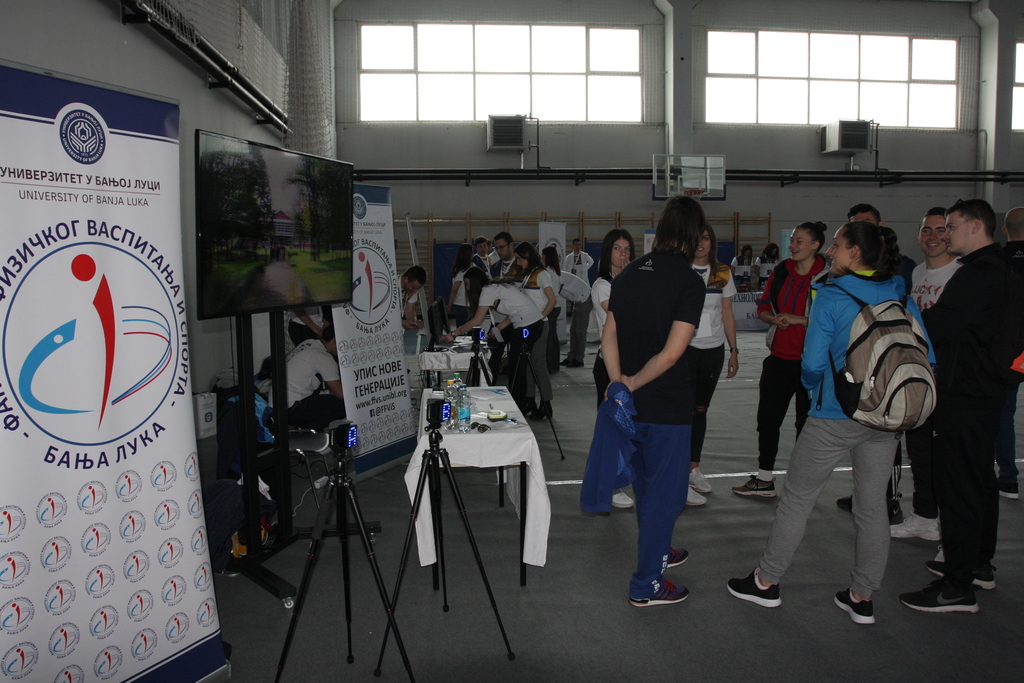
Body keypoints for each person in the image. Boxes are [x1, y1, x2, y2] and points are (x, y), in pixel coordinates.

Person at [728, 221, 930, 625]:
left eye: (837, 245)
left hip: (834, 415)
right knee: (872, 509)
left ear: (855, 252)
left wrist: (816, 389)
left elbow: (812, 364)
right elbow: (926, 353)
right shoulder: (899, 292)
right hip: (884, 417)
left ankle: (766, 582)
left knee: (797, 500)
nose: (831, 252)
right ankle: (862, 595)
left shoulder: (831, 294)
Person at [899, 198, 1015, 613]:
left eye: (951, 225)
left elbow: (937, 325)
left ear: (975, 225)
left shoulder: (977, 275)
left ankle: (957, 584)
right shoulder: (999, 269)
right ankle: (977, 564)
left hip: (965, 393)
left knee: (960, 487)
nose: (945, 233)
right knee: (979, 480)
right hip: (985, 390)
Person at [602, 195, 706, 607]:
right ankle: (647, 584)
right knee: (667, 496)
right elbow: (672, 353)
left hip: (631, 408)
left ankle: (658, 546)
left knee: (646, 486)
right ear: (694, 236)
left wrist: (619, 383)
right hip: (666, 408)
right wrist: (630, 382)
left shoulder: (629, 273)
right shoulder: (689, 282)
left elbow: (609, 334)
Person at [733, 222, 828, 497]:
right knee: (767, 419)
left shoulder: (830, 276)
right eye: (792, 240)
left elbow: (836, 320)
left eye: (799, 241)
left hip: (813, 363)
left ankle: (802, 484)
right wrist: (772, 318)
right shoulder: (781, 272)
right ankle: (764, 479)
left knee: (807, 425)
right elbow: (763, 306)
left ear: (815, 245)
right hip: (778, 359)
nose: (793, 245)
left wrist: (800, 320)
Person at [889, 207, 960, 542]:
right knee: (918, 450)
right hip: (918, 376)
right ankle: (924, 516)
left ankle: (952, 529)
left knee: (948, 456)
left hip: (950, 378)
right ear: (918, 236)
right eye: (926, 230)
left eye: (941, 229)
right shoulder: (915, 273)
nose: (933, 237)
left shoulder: (961, 273)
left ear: (952, 234)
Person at [686, 226, 739, 506]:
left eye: (705, 238)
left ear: (712, 242)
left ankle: (694, 469)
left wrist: (734, 350)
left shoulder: (723, 272)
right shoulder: (681, 270)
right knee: (682, 409)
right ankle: (678, 470)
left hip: (712, 351)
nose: (701, 243)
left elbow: (727, 313)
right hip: (683, 349)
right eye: (697, 238)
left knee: (700, 409)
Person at [442, 269, 545, 412]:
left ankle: (519, 407)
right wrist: (500, 327)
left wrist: (453, 334)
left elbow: (477, 320)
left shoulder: (488, 290)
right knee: (516, 367)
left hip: (529, 325)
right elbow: (514, 311)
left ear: (475, 282)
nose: (467, 288)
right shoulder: (493, 287)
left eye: (467, 284)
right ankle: (520, 404)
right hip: (528, 323)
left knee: (516, 369)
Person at [591, 228, 636, 509]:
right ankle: (610, 484)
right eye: (618, 249)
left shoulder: (632, 281)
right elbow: (627, 316)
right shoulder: (602, 285)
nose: (623, 254)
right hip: (609, 364)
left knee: (632, 424)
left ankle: (626, 477)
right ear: (608, 252)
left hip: (633, 362)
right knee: (613, 426)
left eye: (627, 249)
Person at [996, 206, 1024, 500]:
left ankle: (1008, 479)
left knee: (1003, 414)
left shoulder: (997, 261)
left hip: (1008, 351)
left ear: (1004, 230)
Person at [513, 242, 557, 420]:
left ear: (527, 256)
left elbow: (552, 301)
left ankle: (546, 404)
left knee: (538, 364)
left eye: (519, 259)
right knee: (528, 364)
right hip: (528, 326)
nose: (517, 263)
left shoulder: (542, 274)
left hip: (539, 325)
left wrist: (540, 318)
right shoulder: (528, 274)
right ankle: (529, 401)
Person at [286, 323, 346, 431]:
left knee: (324, 399)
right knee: (343, 405)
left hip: (277, 404)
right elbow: (340, 394)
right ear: (335, 341)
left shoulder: (309, 343)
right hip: (292, 409)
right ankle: (303, 431)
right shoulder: (323, 357)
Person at [562, 238, 595, 367]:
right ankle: (571, 356)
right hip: (577, 298)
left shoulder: (584, 256)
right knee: (573, 329)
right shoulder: (569, 259)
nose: (577, 246)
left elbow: (591, 261)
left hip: (584, 297)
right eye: (575, 244)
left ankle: (579, 359)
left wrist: (585, 268)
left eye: (579, 244)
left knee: (580, 331)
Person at [541, 245, 564, 374]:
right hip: (556, 306)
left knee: (548, 338)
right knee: (553, 337)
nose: (541, 258)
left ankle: (549, 365)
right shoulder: (555, 270)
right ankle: (555, 364)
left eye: (543, 256)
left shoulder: (547, 272)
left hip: (550, 306)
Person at [447, 243, 474, 328]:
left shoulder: (459, 269)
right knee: (469, 328)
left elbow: (454, 289)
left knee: (462, 329)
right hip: (468, 304)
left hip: (460, 303)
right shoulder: (471, 267)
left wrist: (450, 305)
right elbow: (455, 288)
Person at [400, 265, 427, 331]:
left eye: (417, 289)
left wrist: (414, 322)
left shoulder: (412, 290)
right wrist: (401, 323)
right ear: (406, 279)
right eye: (414, 287)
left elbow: (409, 311)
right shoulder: (389, 286)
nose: (415, 291)